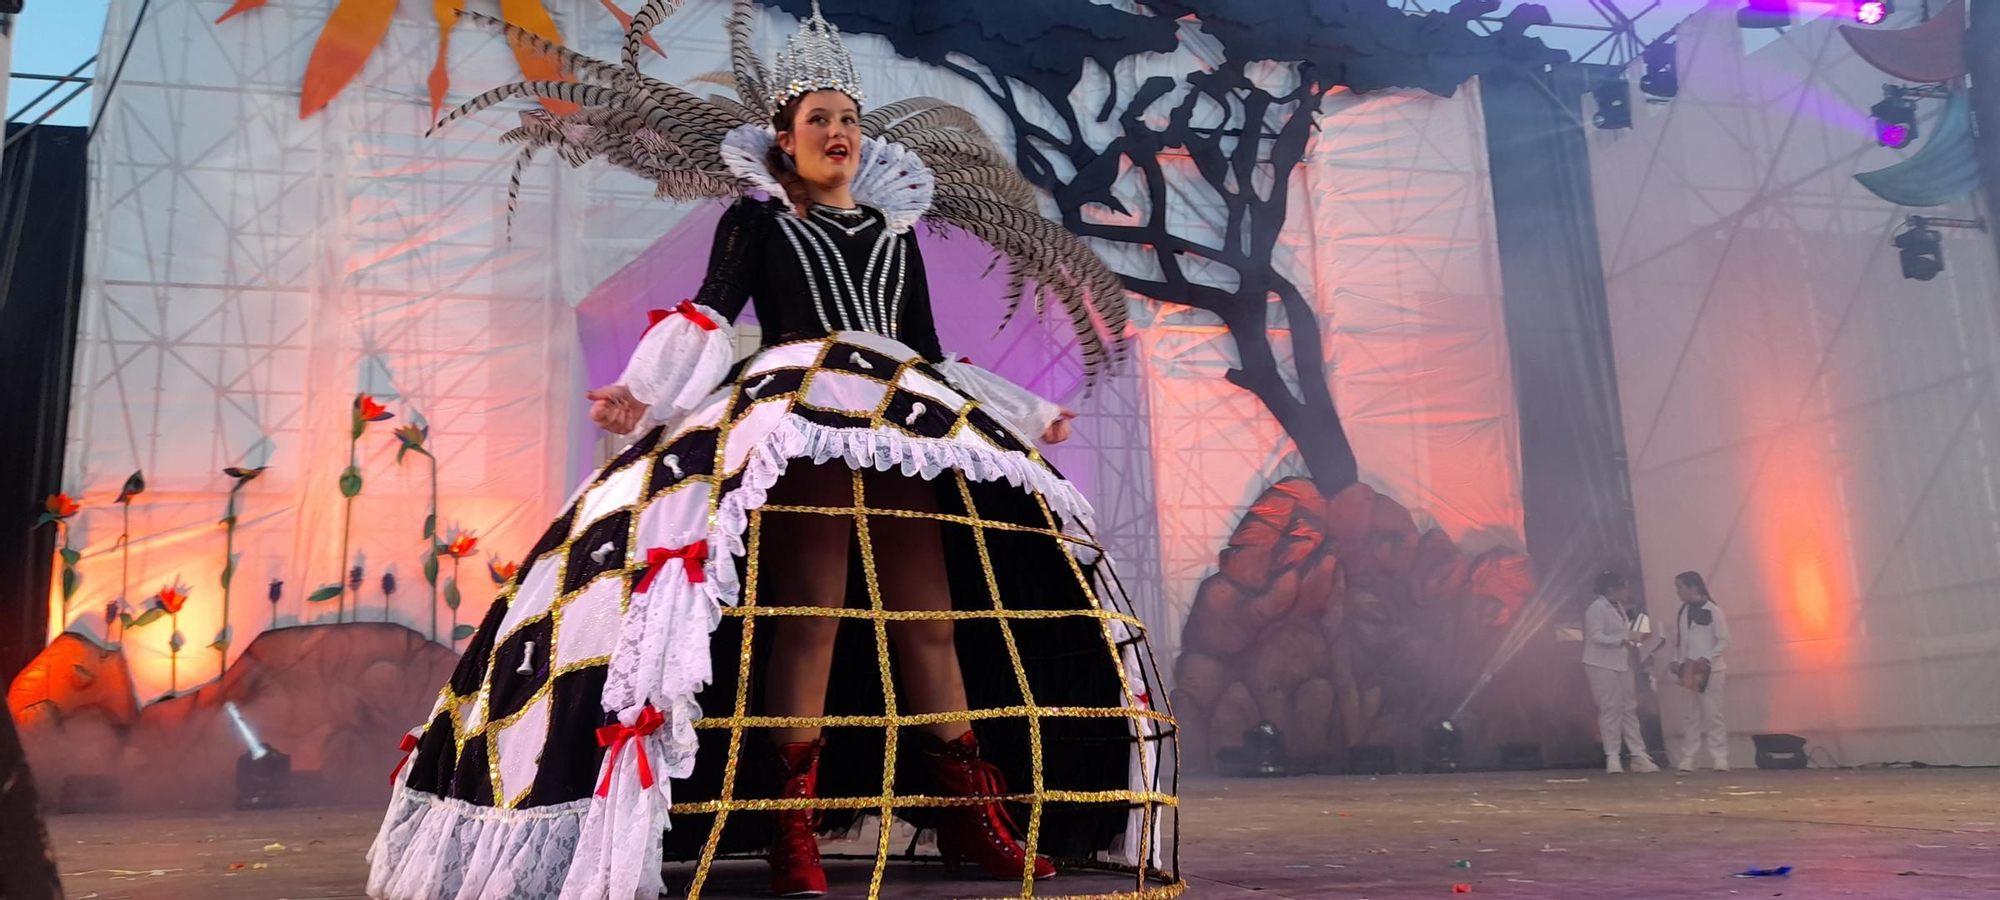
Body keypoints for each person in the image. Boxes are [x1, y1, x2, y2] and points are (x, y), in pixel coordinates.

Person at [365, 4, 1174, 900]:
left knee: (929, 621)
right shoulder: (756, 222)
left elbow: (930, 353)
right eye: (819, 119)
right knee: (811, 618)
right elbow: (712, 315)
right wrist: (645, 394)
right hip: (804, 420)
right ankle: (790, 824)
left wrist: (1021, 413)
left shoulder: (892, 232)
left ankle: (964, 814)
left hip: (902, 426)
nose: (838, 132)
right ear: (783, 140)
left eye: (849, 119)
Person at [1582, 572, 1659, 774]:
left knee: (1628, 707)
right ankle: (1613, 756)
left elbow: (1622, 634)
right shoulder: (1596, 609)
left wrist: (1635, 637)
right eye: (1623, 587)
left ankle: (1638, 754)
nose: (1628, 591)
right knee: (1610, 708)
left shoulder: (1620, 609)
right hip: (1600, 663)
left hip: (1621, 662)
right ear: (1610, 589)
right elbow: (1595, 636)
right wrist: (1621, 640)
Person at [1669, 571, 1730, 773]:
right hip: (1688, 668)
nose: (1677, 592)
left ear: (1693, 588)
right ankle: (1689, 756)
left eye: (1680, 587)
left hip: (1711, 669)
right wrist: (1676, 661)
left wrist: (1708, 658)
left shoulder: (1713, 610)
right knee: (1690, 714)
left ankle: (1719, 756)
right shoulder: (1682, 611)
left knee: (1713, 713)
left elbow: (1723, 640)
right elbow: (1680, 641)